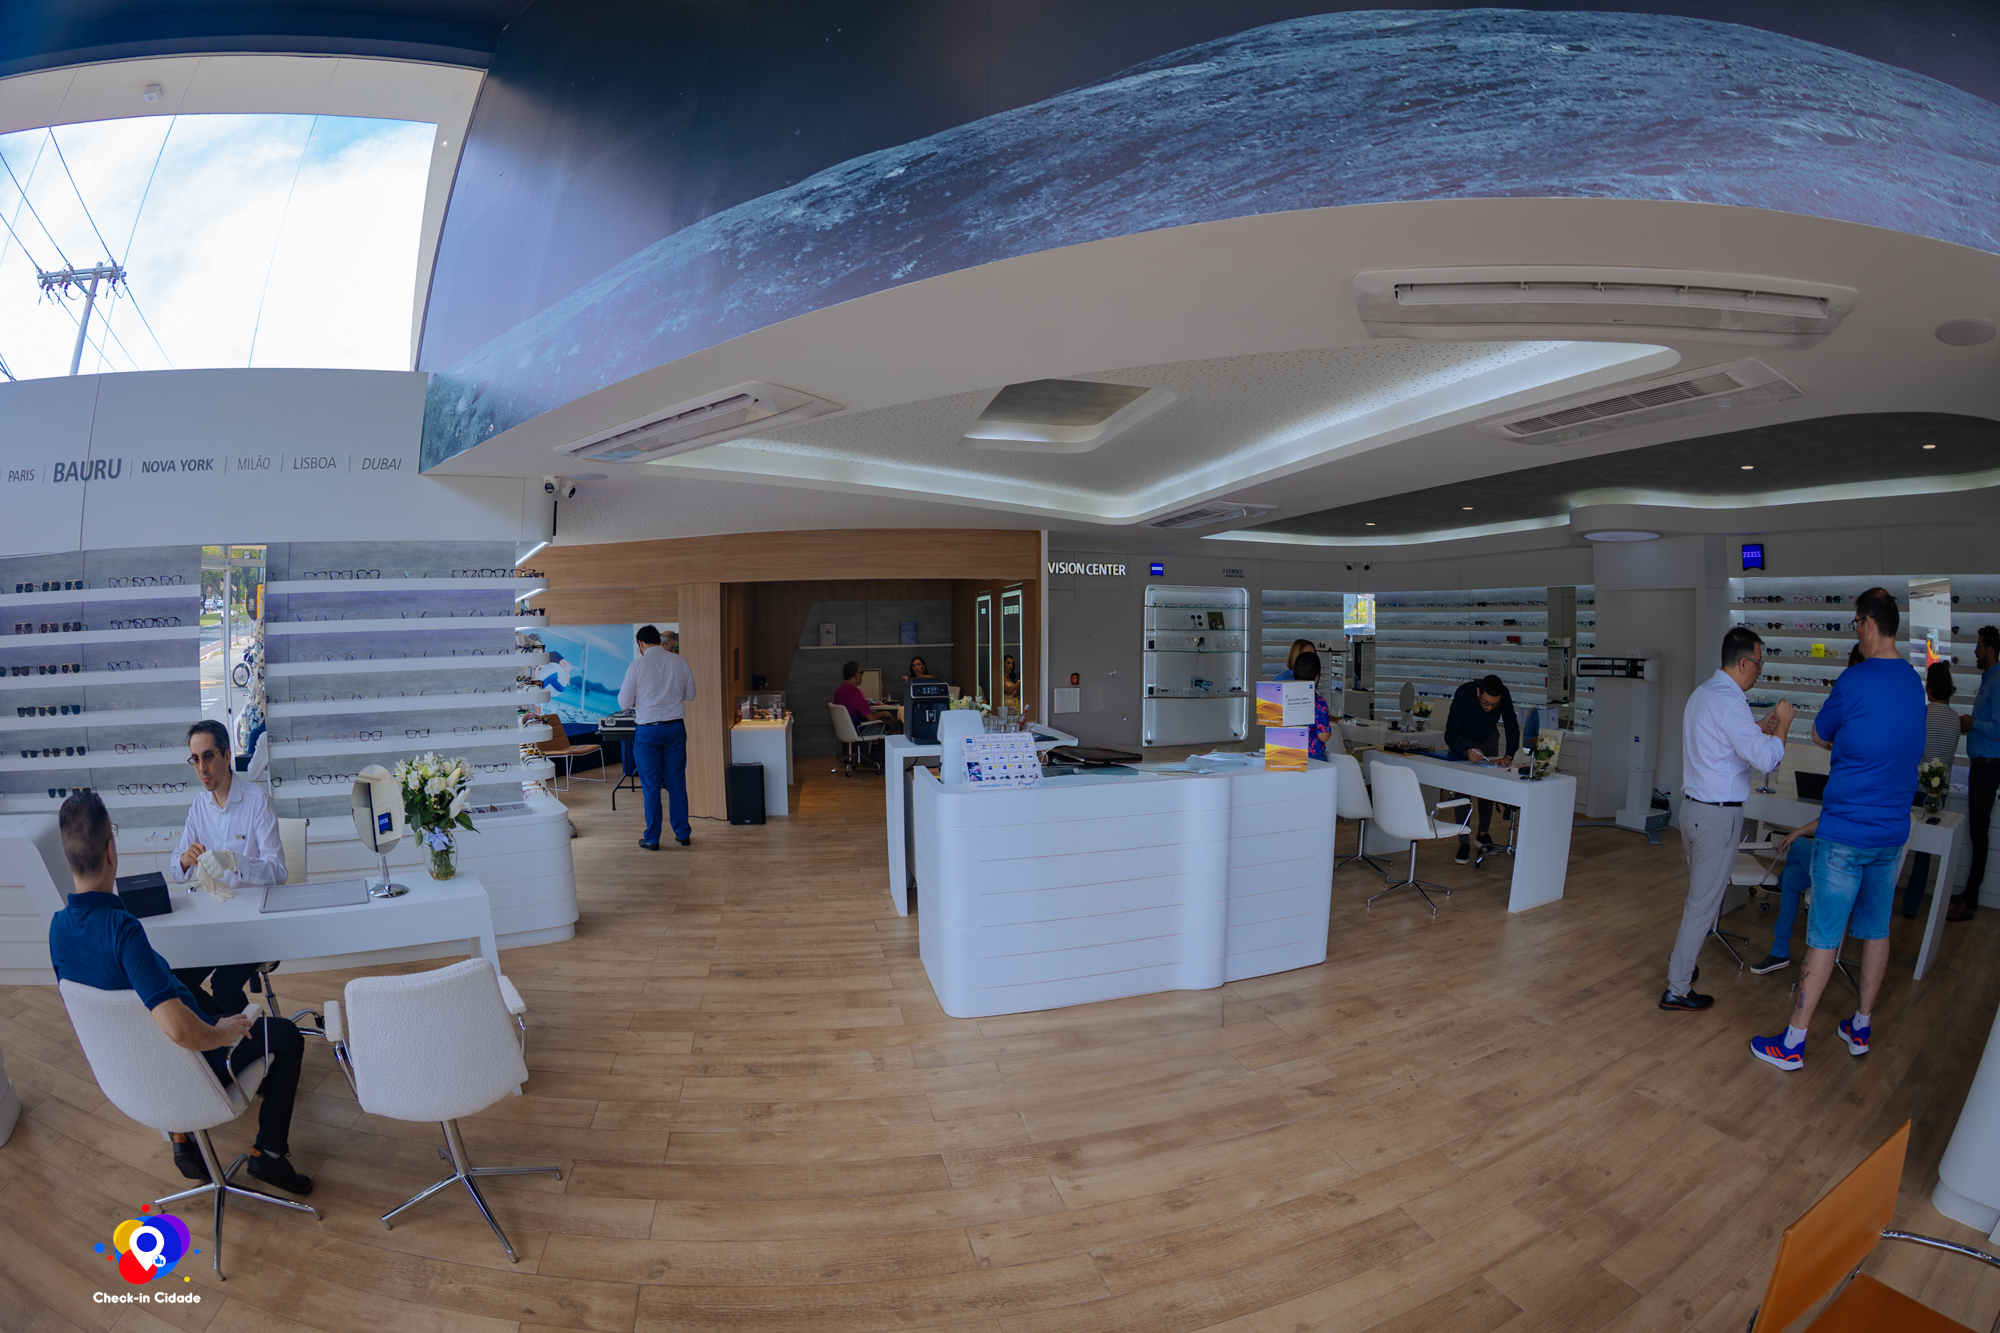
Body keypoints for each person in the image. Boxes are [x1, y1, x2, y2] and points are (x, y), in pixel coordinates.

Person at [48, 791, 312, 1193]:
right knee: (287, 1036)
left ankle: (182, 1136)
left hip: (139, 1071)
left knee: (186, 983)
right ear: (111, 850)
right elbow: (179, 1030)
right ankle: (270, 1155)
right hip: (192, 1063)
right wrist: (223, 1032)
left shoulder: (57, 930)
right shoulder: (123, 931)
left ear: (67, 856)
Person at [1750, 588, 1923, 1069]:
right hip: (1891, 834)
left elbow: (1820, 734)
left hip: (1845, 832)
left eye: (1855, 624)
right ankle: (1860, 1027)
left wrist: (1846, 742)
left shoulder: (1855, 678)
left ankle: (1792, 1043)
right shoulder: (1914, 683)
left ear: (1866, 623)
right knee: (1876, 931)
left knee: (1825, 935)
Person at [1665, 627, 1791, 1011]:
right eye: (1759, 663)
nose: (1760, 670)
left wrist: (1759, 728)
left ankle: (1683, 966)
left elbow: (1723, 747)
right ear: (1743, 662)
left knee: (1699, 899)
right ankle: (1677, 989)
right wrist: (1784, 725)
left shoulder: (1703, 694)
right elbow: (1766, 759)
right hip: (1717, 818)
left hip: (1693, 811)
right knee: (1702, 905)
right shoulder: (1732, 702)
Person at [169, 720, 286, 1017]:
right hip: (212, 920)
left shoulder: (257, 801)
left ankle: (262, 1036)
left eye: (208, 757)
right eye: (195, 759)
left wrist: (236, 861)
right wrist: (184, 859)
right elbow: (175, 869)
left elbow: (278, 872)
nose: (201, 768)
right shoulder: (199, 806)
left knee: (223, 986)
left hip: (251, 922)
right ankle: (222, 1031)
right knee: (177, 981)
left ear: (227, 755)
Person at [619, 624, 696, 850]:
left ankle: (652, 839)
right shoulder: (679, 661)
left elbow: (623, 703)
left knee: (651, 786)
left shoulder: (637, 666)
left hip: (648, 731)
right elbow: (691, 694)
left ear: (641, 644)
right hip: (675, 729)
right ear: (660, 641)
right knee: (676, 782)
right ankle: (683, 834)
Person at [1902, 660, 1962, 918]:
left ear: (1929, 687)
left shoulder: (1922, 714)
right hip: (1939, 792)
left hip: (1915, 787)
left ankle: (1885, 896)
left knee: (1899, 842)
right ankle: (1911, 906)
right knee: (1924, 853)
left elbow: (1912, 751)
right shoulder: (1956, 720)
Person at [1443, 673, 1521, 864]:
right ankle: (1463, 840)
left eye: (1494, 705)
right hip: (1463, 742)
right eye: (1485, 703)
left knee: (1487, 789)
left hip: (1488, 740)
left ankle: (1483, 834)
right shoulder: (1464, 693)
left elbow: (1512, 727)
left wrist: (1508, 756)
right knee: (1462, 793)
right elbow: (1450, 734)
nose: (1489, 708)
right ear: (1478, 692)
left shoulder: (1503, 694)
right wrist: (1465, 751)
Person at [1952, 626, 1999, 921]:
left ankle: (1970, 902)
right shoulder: (1989, 680)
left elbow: (1999, 727)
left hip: (1989, 765)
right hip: (1981, 765)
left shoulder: (1998, 681)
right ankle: (1969, 893)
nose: (1975, 651)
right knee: (1977, 833)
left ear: (1990, 650)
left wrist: (1972, 724)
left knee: (1979, 834)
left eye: (1979, 647)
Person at [1292, 651, 1333, 761]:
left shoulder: (1285, 698)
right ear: (1316, 675)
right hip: (1313, 759)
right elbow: (1324, 736)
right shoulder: (1318, 702)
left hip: (1288, 756)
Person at [835, 660, 896, 729]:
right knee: (895, 725)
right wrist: (884, 713)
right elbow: (871, 717)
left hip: (846, 729)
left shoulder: (838, 691)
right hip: (860, 728)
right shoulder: (856, 692)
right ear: (856, 675)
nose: (862, 675)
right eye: (862, 672)